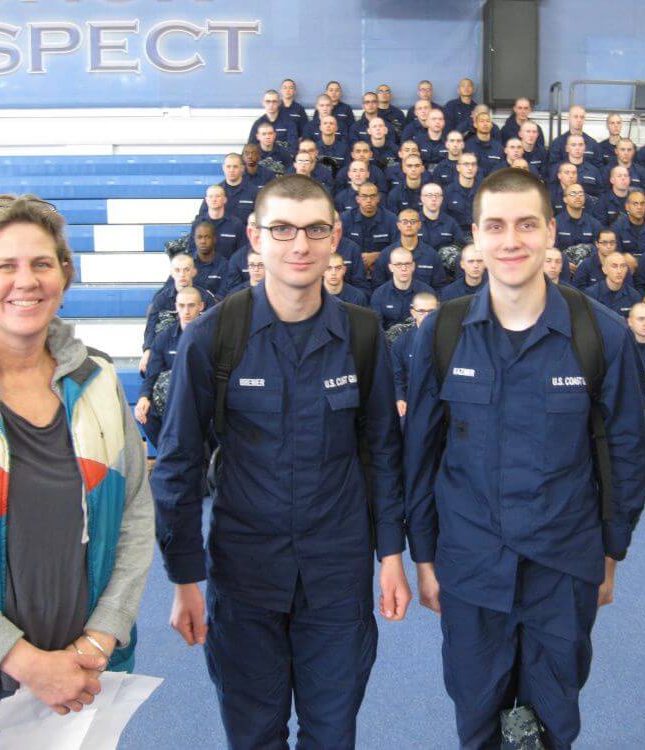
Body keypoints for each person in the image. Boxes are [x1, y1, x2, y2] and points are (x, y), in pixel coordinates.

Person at [152, 174, 410, 749]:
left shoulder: (364, 335)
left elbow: (383, 452)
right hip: (244, 576)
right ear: (254, 237)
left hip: (337, 576)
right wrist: (184, 576)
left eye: (316, 229)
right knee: (253, 736)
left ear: (336, 237)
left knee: (331, 734)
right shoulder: (214, 338)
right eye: (283, 230)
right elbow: (178, 464)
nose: (300, 245)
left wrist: (391, 554)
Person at [403, 168, 645, 749]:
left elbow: (627, 453)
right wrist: (423, 556)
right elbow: (419, 454)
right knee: (477, 722)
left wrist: (611, 551)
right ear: (475, 235)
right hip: (469, 568)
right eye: (495, 226)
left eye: (525, 225)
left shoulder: (602, 335)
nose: (510, 240)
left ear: (550, 232)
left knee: (554, 725)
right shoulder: (441, 333)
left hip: (563, 568)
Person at [0, 195, 153, 747]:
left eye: (42, 264)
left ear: (64, 274)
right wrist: (23, 661)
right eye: (5, 266)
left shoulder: (97, 380)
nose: (27, 281)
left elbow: (137, 512)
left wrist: (99, 639)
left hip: (84, 679)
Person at [135, 286, 205, 447]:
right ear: (175, 306)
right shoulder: (163, 338)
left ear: (201, 306)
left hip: (201, 398)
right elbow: (151, 375)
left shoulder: (211, 336)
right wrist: (143, 397)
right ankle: (168, 455)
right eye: (181, 306)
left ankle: (200, 459)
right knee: (146, 411)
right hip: (172, 398)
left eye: (191, 305)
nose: (186, 311)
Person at [391, 291, 439, 419]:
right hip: (412, 399)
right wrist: (400, 398)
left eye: (432, 312)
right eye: (421, 311)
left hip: (440, 400)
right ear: (413, 313)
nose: (427, 316)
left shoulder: (448, 341)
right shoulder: (401, 344)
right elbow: (397, 377)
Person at [372, 209, 446, 290]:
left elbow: (439, 287)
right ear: (398, 225)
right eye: (404, 222)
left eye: (413, 221)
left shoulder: (432, 255)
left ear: (419, 225)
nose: (409, 225)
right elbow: (378, 286)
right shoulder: (386, 255)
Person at [370, 246, 434, 328]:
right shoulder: (379, 295)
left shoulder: (427, 292)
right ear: (391, 267)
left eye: (407, 264)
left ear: (413, 266)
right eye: (398, 264)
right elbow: (378, 329)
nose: (404, 268)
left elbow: (430, 326)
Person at [193, 184, 248, 260]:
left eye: (217, 196)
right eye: (210, 196)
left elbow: (242, 253)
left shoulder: (236, 224)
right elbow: (191, 250)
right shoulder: (197, 224)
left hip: (228, 270)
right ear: (206, 200)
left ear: (225, 200)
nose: (214, 199)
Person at [582, 251, 642, 318]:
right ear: (604, 269)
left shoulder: (634, 296)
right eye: (614, 266)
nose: (619, 271)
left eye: (623, 266)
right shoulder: (591, 294)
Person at [553, 183, 603, 250]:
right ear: (565, 199)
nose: (578, 196)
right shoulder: (556, 223)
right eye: (573, 194)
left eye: (581, 193)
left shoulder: (594, 225)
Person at [190, 222, 229, 298]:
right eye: (199, 237)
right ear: (194, 239)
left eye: (207, 237)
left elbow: (223, 296)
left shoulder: (224, 265)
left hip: (214, 308)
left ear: (214, 239)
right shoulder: (186, 263)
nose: (203, 241)